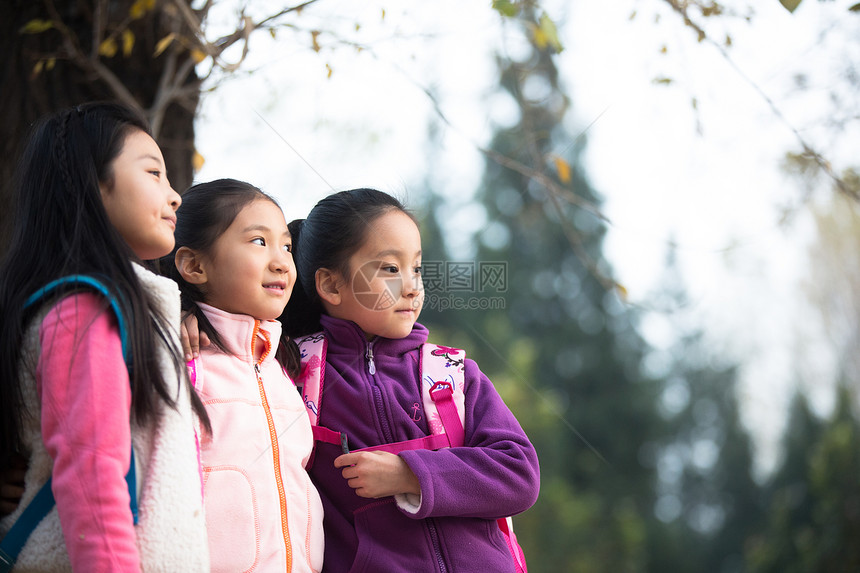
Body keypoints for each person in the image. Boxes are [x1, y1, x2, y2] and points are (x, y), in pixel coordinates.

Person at [283, 188, 540, 573]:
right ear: (332, 286)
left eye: (416, 268)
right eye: (390, 269)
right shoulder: (292, 375)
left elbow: (519, 473)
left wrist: (409, 474)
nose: (411, 286)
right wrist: (191, 322)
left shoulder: (452, 374)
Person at [0, 102, 210, 571]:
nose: (175, 196)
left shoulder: (122, 307)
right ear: (91, 184)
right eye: (153, 173)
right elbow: (91, 474)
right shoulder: (83, 311)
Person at [161, 179, 324, 573]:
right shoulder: (177, 358)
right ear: (195, 265)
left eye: (286, 245)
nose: (282, 260)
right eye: (258, 242)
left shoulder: (286, 368)